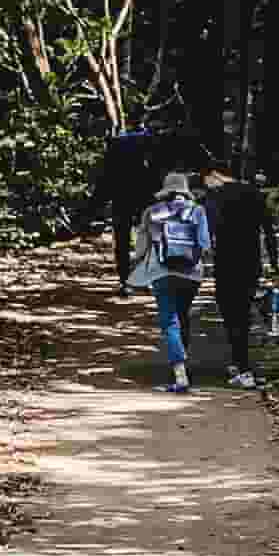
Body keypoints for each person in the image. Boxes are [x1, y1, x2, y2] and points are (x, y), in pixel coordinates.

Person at [200, 162, 279, 387]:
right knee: (243, 313)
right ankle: (240, 363)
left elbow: (207, 229)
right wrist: (274, 262)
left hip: (226, 262)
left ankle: (243, 368)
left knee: (230, 314)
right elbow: (268, 230)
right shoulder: (254, 193)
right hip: (251, 261)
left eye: (206, 179)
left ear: (215, 175)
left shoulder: (215, 197)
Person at [136, 171, 212, 393]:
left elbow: (141, 248)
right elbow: (205, 244)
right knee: (182, 315)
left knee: (170, 320)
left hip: (161, 272)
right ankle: (182, 365)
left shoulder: (151, 212)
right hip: (191, 274)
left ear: (165, 191)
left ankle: (179, 373)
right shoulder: (197, 211)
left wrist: (134, 266)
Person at [83, 113, 168, 291]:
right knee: (146, 237)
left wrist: (96, 204)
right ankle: (140, 278)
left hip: (125, 197)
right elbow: (159, 174)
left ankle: (127, 280)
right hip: (143, 197)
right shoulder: (155, 142)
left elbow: (105, 178)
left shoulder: (117, 143)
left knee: (124, 239)